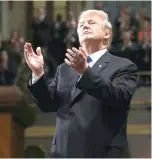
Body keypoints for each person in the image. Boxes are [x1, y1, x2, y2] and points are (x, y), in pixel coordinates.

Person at [24, 10, 138, 158]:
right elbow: (47, 104)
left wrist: (85, 72)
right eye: (81, 24)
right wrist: (38, 73)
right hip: (63, 152)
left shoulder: (123, 66)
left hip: (102, 153)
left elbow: (120, 97)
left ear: (107, 34)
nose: (85, 26)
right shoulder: (64, 69)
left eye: (91, 23)